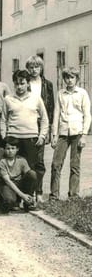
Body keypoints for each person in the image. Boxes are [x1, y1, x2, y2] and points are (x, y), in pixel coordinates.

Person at [1, 69, 48, 203]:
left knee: (30, 171)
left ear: (28, 84)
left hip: (31, 139)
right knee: (14, 169)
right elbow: (3, 119)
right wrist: (5, 136)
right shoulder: (8, 99)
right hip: (13, 139)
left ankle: (29, 198)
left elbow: (44, 118)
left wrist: (42, 135)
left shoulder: (36, 98)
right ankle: (15, 199)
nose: (19, 87)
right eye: (16, 84)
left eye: (22, 83)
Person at [50, 67, 91, 200]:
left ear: (77, 79)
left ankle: (73, 195)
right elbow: (56, 114)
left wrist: (84, 135)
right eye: (67, 77)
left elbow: (87, 115)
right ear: (64, 79)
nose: (69, 80)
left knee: (75, 165)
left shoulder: (82, 93)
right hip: (62, 132)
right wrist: (54, 135)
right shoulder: (61, 93)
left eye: (72, 77)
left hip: (77, 132)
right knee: (56, 164)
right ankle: (54, 195)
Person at [26, 55, 54, 202]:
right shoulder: (24, 83)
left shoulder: (47, 85)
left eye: (36, 67)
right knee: (28, 158)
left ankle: (39, 191)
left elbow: (51, 108)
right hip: (28, 122)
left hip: (42, 123)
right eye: (31, 67)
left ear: (41, 68)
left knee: (39, 160)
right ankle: (28, 192)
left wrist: (49, 130)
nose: (34, 70)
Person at [0, 137, 37, 212]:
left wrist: (29, 195)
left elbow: (30, 177)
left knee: (32, 174)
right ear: (4, 150)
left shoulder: (21, 160)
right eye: (8, 148)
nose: (10, 151)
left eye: (13, 148)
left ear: (17, 149)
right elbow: (7, 181)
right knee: (9, 201)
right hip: (8, 185)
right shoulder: (2, 162)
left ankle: (28, 201)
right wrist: (22, 195)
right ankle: (12, 202)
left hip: (20, 184)